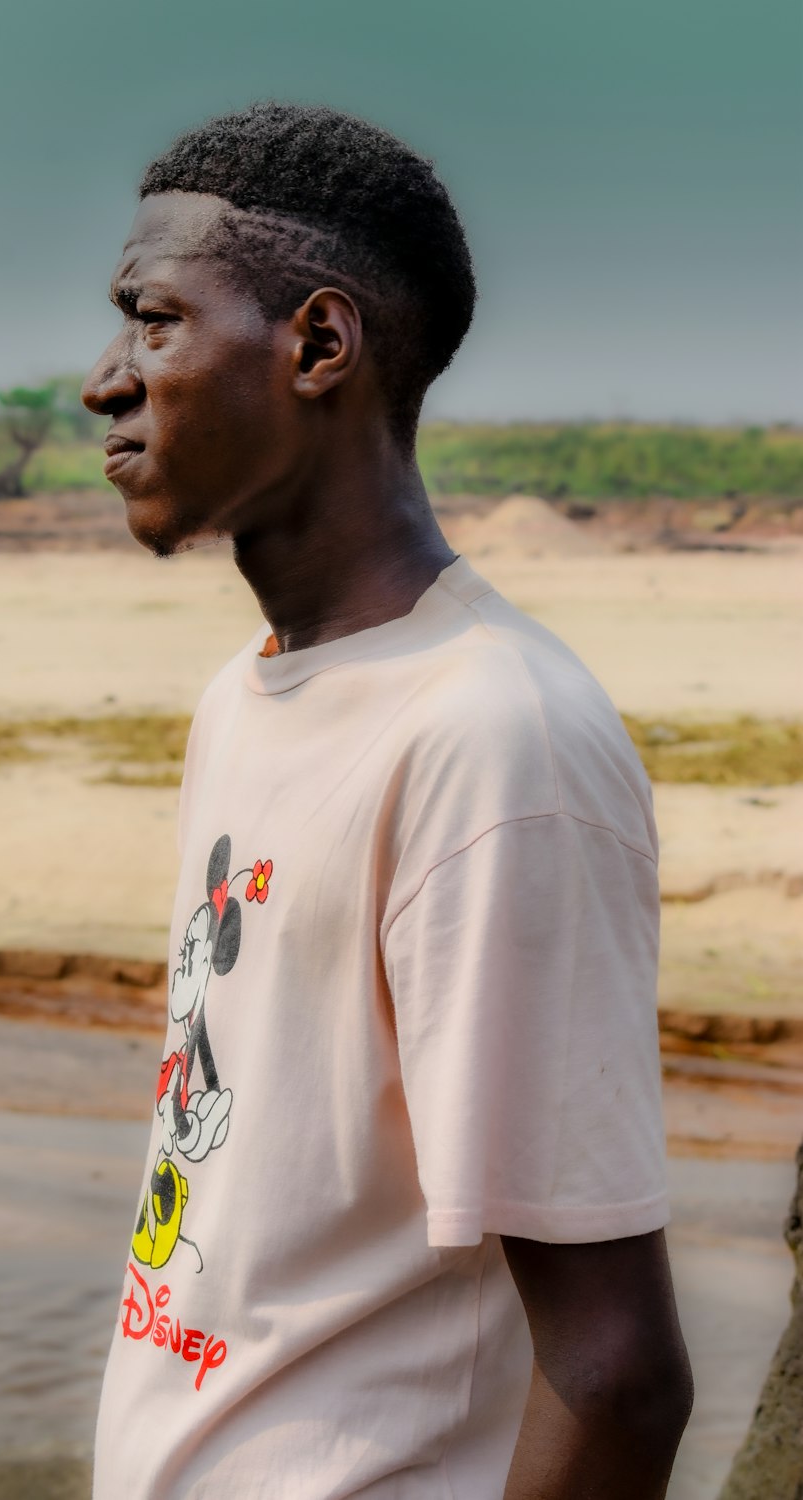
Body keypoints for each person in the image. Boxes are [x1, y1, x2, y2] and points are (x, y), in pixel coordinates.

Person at [81, 101, 693, 1499]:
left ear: (317, 346)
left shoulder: (492, 741)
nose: (104, 378)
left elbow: (617, 1375)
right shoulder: (250, 693)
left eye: (153, 320)